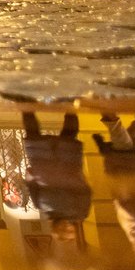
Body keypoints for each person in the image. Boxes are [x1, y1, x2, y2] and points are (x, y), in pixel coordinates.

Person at [23, 112, 92, 262]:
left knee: (33, 135)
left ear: (55, 229)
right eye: (69, 231)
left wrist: (30, 177)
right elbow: (86, 191)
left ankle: (26, 106)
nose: (66, 228)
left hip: (43, 165)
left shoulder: (43, 207)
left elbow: (32, 187)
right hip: (67, 166)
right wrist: (78, 177)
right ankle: (70, 104)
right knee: (69, 135)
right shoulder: (80, 212)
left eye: (62, 231)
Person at [93, 113, 135, 262]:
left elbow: (123, 205)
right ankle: (115, 120)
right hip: (133, 173)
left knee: (125, 148)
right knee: (131, 144)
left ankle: (112, 119)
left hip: (128, 177)